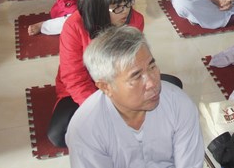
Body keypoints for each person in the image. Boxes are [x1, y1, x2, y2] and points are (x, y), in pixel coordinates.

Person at [67, 26, 203, 167]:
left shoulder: (179, 104)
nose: (152, 83)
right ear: (106, 87)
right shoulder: (85, 128)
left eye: (152, 67)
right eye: (136, 76)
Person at [47, 0, 144, 147]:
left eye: (128, 3)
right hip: (85, 88)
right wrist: (102, 109)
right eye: (117, 7)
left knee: (169, 89)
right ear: (98, 6)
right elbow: (74, 78)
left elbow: (134, 65)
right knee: (59, 134)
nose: (125, 11)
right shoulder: (74, 26)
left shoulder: (135, 20)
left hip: (120, 83)